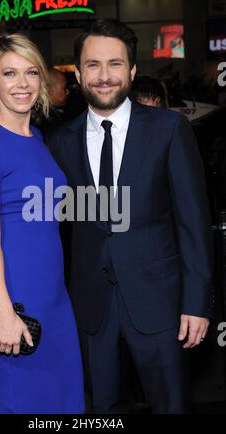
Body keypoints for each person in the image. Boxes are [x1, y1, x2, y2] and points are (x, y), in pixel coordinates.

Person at [47, 19, 214, 414]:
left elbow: (193, 221)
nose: (104, 76)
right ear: (79, 73)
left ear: (133, 70)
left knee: (170, 405)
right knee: (101, 410)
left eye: (115, 64)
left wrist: (197, 302)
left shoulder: (169, 129)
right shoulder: (60, 141)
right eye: (92, 65)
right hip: (91, 306)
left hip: (160, 301)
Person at [0, 33, 84, 414]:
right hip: (16, 296)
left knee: (62, 399)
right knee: (22, 399)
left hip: (55, 296)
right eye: (9, 73)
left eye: (31, 72)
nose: (22, 83)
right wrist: (3, 312)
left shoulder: (36, 138)